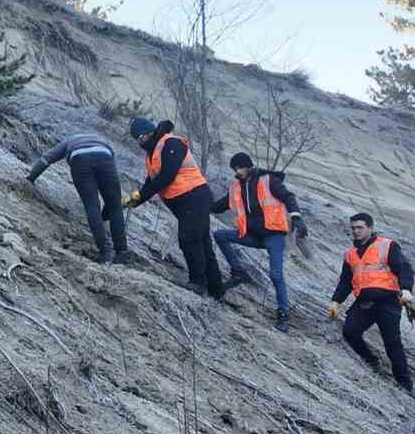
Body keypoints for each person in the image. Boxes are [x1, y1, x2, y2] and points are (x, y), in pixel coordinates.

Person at [124, 118, 224, 298]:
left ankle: (198, 283)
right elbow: (151, 182)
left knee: (189, 238)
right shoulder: (152, 153)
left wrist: (138, 198)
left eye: (141, 136)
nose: (140, 141)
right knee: (202, 242)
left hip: (194, 196)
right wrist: (133, 200)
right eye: (136, 139)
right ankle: (216, 290)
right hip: (184, 200)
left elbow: (166, 177)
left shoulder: (171, 143)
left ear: (150, 132)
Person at [210, 152, 307, 332]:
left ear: (248, 166)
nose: (237, 172)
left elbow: (288, 197)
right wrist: (202, 202)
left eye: (239, 167)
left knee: (276, 275)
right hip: (252, 235)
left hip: (274, 236)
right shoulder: (236, 187)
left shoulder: (268, 181)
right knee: (220, 235)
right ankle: (238, 272)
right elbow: (220, 206)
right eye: (234, 169)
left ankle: (283, 314)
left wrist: (297, 218)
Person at [329, 213, 415, 395]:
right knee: (350, 332)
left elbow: (404, 269)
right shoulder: (350, 254)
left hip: (388, 302)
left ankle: (405, 385)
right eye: (353, 228)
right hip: (364, 303)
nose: (356, 231)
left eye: (360, 227)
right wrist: (336, 301)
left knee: (392, 343)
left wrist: (406, 290)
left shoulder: (387, 245)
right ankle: (370, 361)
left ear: (369, 227)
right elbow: (346, 281)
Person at [26, 130, 131, 264]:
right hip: (105, 158)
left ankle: (105, 250)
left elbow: (47, 158)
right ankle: (121, 251)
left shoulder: (70, 140)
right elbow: (111, 165)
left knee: (92, 206)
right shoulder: (102, 140)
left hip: (80, 160)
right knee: (115, 206)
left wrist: (31, 178)